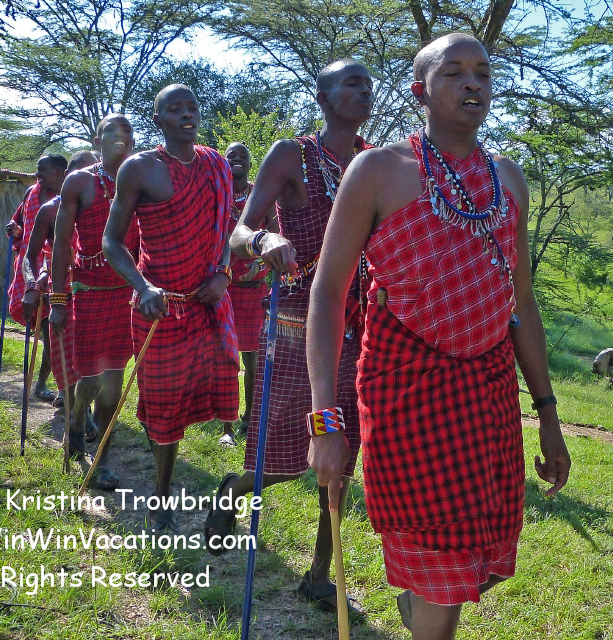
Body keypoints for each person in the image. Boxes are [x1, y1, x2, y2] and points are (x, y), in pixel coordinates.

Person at [306, 34, 571, 640]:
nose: (472, 82)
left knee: (484, 557)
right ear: (419, 90)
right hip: (407, 392)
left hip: (489, 395)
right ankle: (427, 609)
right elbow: (327, 293)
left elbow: (522, 304)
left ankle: (421, 605)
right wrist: (324, 421)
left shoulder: (508, 179)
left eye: (482, 72)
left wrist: (548, 415)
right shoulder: (378, 171)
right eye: (453, 72)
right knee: (440, 573)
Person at [205, 59, 374, 613]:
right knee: (282, 456)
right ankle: (235, 488)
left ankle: (320, 574)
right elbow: (238, 230)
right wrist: (263, 241)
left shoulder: (374, 162)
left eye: (367, 84)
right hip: (298, 324)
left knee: (342, 457)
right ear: (322, 98)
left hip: (359, 329)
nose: (364, 90)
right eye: (351, 83)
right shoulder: (291, 155)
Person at [102, 85, 239, 532]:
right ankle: (161, 498)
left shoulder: (216, 165)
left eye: (192, 107)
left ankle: (183, 480)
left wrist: (223, 274)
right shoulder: (139, 168)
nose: (186, 115)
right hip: (158, 308)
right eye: (174, 109)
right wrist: (143, 287)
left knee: (203, 392)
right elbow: (111, 242)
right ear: (157, 119)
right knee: (162, 404)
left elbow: (226, 232)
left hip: (206, 304)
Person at [50, 115, 137, 491]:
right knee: (90, 378)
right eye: (111, 132)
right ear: (97, 140)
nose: (120, 137)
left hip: (127, 294)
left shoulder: (141, 177)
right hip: (88, 293)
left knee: (114, 383)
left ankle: (100, 461)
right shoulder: (79, 182)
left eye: (127, 132)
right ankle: (75, 418)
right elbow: (61, 243)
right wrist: (57, 299)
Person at [22, 150, 99, 432]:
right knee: (66, 362)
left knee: (96, 363)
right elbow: (31, 256)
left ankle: (86, 413)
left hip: (98, 295)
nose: (95, 181)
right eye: (89, 174)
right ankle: (79, 419)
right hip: (61, 296)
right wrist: (33, 284)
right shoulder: (50, 210)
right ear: (69, 177)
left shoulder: (109, 207)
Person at [218, 141, 273, 446]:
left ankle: (250, 418)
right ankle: (226, 425)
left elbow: (277, 231)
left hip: (254, 290)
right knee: (225, 358)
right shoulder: (217, 193)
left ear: (251, 164)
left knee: (252, 358)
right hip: (223, 289)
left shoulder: (261, 195)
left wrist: (263, 261)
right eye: (231, 156)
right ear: (224, 162)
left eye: (243, 156)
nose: (237, 159)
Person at [6, 153, 68, 403]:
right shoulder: (31, 193)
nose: (37, 174)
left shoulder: (70, 197)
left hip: (60, 269)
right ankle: (45, 384)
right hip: (30, 267)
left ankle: (61, 387)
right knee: (46, 329)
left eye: (42, 170)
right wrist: (15, 230)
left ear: (59, 171)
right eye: (37, 169)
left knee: (57, 331)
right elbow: (19, 222)